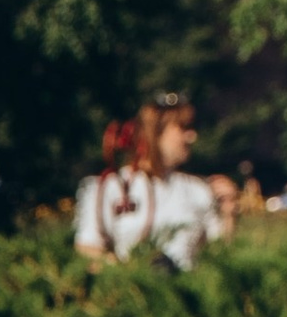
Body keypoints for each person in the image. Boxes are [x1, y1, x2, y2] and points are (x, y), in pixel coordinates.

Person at [73, 94, 236, 271]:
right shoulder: (111, 187)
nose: (192, 136)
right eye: (183, 128)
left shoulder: (197, 189)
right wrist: (129, 270)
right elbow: (87, 246)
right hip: (135, 289)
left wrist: (229, 211)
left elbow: (218, 251)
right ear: (155, 133)